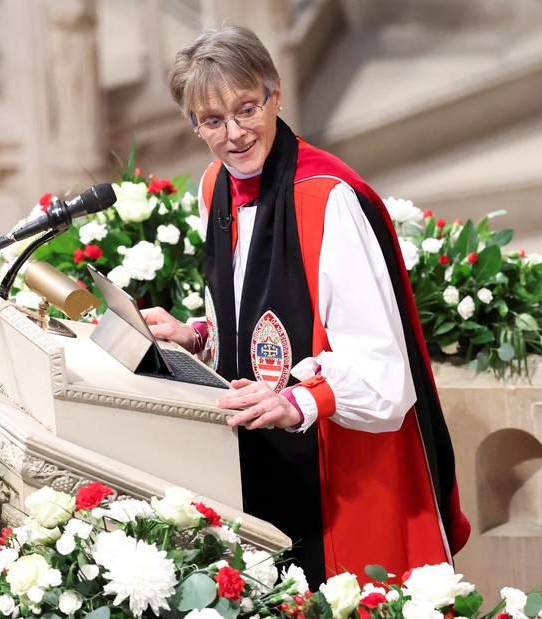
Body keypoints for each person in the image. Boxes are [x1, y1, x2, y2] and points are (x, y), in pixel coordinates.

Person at [142, 25, 470, 586]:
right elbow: (255, 311)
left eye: (247, 108)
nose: (235, 134)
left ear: (276, 94)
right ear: (194, 125)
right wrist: (197, 335)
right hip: (254, 450)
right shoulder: (215, 184)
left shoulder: (327, 200)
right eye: (213, 121)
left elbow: (384, 373)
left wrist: (299, 402)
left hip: (335, 466)